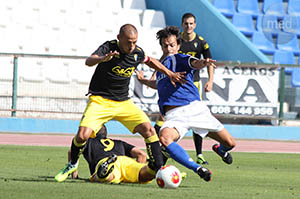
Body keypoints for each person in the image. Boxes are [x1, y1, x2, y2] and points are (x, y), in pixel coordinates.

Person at [55, 24, 186, 182]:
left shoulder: (137, 52)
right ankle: (72, 165)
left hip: (123, 103)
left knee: (149, 130)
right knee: (83, 135)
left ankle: (159, 169)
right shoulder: (109, 47)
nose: (132, 46)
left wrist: (170, 73)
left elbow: (150, 61)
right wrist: (102, 59)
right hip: (100, 100)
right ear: (119, 38)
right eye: (129, 42)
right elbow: (89, 61)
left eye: (134, 42)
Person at [137, 26, 236, 182]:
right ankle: (198, 168)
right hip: (174, 115)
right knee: (164, 138)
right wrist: (144, 81)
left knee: (230, 143)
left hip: (195, 110)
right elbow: (158, 84)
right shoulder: (161, 67)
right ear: (161, 46)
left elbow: (194, 63)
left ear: (178, 46)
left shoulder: (180, 58)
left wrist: (203, 62)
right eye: (165, 45)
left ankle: (220, 150)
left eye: (172, 45)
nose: (169, 48)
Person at [152, 13, 214, 165]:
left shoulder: (200, 42)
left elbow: (206, 61)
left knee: (194, 119)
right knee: (163, 119)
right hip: (172, 83)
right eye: (186, 23)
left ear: (195, 25)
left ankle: (199, 153)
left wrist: (211, 80)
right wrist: (154, 76)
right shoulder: (176, 41)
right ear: (182, 24)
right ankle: (159, 152)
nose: (188, 26)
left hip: (192, 83)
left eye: (191, 23)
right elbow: (163, 60)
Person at [82, 125, 155, 184]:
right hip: (124, 161)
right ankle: (152, 168)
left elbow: (72, 151)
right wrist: (137, 177)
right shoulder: (119, 142)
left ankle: (104, 174)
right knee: (144, 176)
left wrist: (74, 175)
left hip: (106, 161)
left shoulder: (89, 141)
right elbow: (141, 154)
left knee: (105, 177)